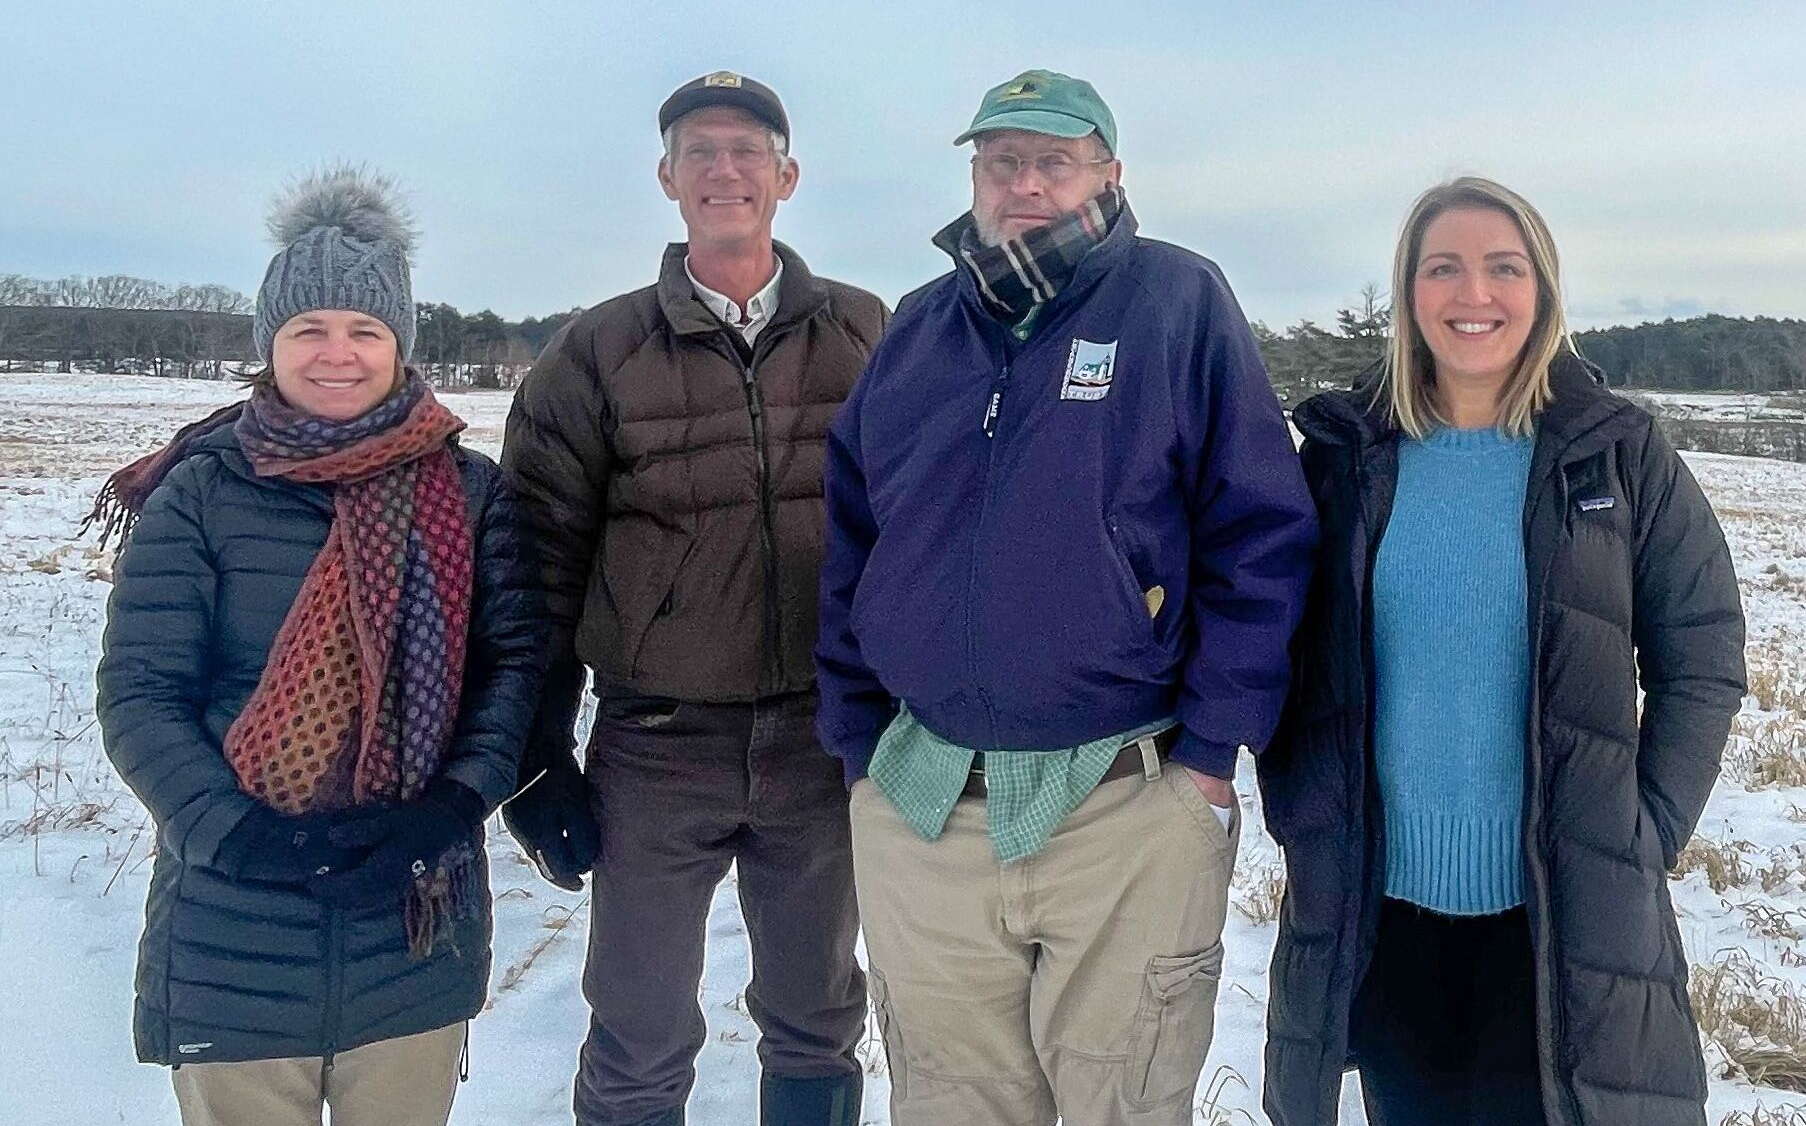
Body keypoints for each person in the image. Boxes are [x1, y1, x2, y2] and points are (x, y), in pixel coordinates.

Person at [815, 69, 1317, 1126]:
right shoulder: (917, 330)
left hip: (1125, 805)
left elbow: (1259, 531)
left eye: (1054, 159)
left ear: (1110, 172)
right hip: (925, 806)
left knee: (1123, 1102)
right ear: (975, 177)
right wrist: (857, 743)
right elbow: (854, 542)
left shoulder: (1177, 301)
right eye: (1002, 161)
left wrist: (1209, 756)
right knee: (951, 1106)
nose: (1025, 183)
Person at [1259, 176, 1746, 1126]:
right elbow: (1275, 643)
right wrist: (1302, 802)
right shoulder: (1344, 459)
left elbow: (1704, 651)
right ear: (1408, 294)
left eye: (1502, 268)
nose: (1472, 294)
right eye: (1443, 268)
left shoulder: (1617, 453)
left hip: (1560, 914)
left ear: (1544, 292)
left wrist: (1647, 827)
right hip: (1385, 910)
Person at [93, 166, 542, 1126]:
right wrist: (237, 836)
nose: (337, 353)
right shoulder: (203, 491)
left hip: (414, 924)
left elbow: (511, 671)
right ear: (270, 343)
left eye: (364, 330)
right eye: (309, 329)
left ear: (400, 346)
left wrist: (451, 809)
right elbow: (140, 691)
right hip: (232, 930)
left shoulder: (470, 493)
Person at [500, 71, 885, 1126]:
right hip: (657, 747)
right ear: (667, 178)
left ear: (786, 176)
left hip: (822, 739)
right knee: (638, 1027)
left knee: (818, 1014)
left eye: (748, 150)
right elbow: (539, 565)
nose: (726, 169)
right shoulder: (598, 350)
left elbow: (923, 534)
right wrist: (536, 755)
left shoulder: (866, 332)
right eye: (701, 151)